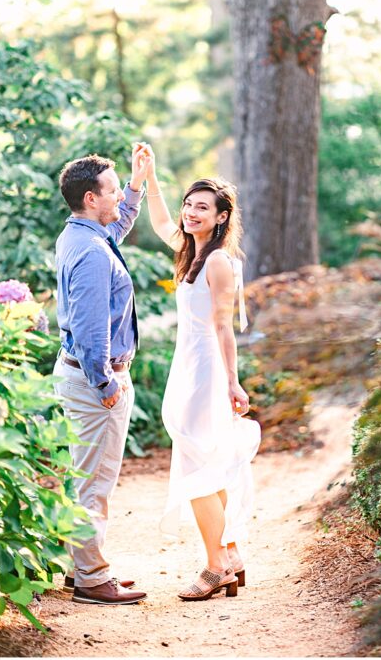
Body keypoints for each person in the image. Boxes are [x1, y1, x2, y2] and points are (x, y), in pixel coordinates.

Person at [136, 144, 260, 601]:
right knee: (204, 461)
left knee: (197, 466)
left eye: (202, 207)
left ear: (222, 217)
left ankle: (214, 568)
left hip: (207, 369)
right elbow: (160, 222)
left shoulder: (220, 262)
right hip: (187, 365)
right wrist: (148, 177)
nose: (190, 213)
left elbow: (224, 327)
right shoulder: (191, 253)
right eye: (189, 204)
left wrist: (232, 381)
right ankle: (229, 555)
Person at [54, 147, 150, 606]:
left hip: (81, 376)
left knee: (86, 478)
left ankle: (83, 568)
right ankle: (92, 578)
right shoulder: (92, 252)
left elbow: (121, 223)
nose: (117, 199)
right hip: (95, 380)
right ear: (92, 198)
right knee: (94, 482)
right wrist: (106, 386)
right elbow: (92, 333)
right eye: (111, 191)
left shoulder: (82, 233)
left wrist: (135, 183)